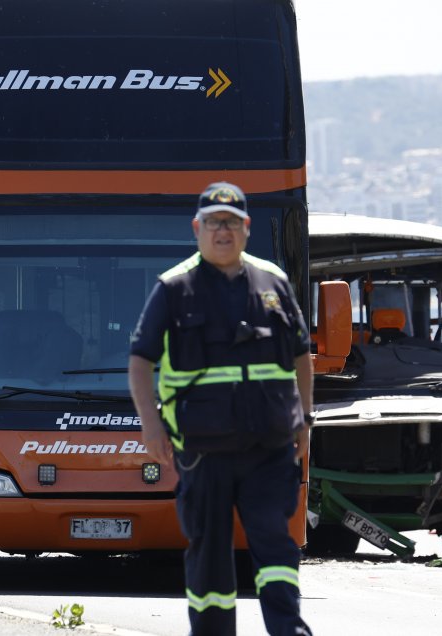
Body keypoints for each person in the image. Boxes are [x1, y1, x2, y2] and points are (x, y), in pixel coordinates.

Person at [127, 182, 315, 636]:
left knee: (276, 548)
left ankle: (288, 631)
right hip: (203, 451)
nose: (223, 231)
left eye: (231, 222)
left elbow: (301, 355)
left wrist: (305, 420)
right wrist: (151, 427)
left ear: (247, 228)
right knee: (209, 555)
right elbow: (140, 360)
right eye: (214, 222)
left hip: (269, 449)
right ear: (198, 228)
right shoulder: (174, 288)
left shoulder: (274, 281)